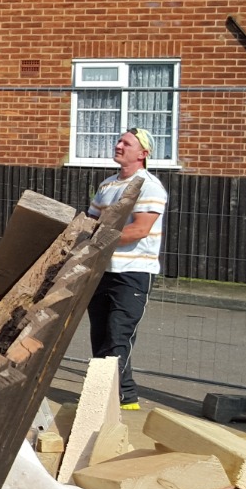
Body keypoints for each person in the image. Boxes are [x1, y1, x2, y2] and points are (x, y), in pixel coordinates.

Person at [86, 127, 167, 411]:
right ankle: (115, 397)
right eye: (119, 141)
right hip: (101, 271)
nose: (118, 145)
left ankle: (118, 400)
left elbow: (139, 230)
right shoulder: (108, 185)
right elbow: (90, 222)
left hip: (132, 273)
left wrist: (98, 240)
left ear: (143, 154)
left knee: (118, 335)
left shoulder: (149, 186)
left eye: (126, 143)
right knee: (101, 335)